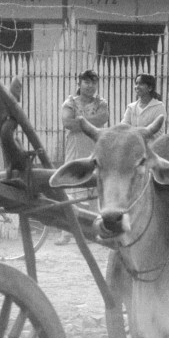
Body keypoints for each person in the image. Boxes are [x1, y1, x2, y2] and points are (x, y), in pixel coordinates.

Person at [57, 69, 109, 245]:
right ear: (79, 84)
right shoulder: (70, 102)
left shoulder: (101, 103)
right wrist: (88, 123)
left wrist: (80, 121)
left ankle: (93, 232)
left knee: (94, 190)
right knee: (71, 191)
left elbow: (103, 118)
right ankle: (67, 232)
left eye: (93, 82)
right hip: (75, 150)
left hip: (94, 149)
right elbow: (67, 123)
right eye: (86, 82)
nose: (90, 86)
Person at [121, 73, 167, 139]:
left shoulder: (159, 106)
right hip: (132, 145)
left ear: (150, 88)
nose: (137, 86)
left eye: (141, 84)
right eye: (136, 83)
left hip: (152, 146)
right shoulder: (131, 107)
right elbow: (124, 127)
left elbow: (159, 131)